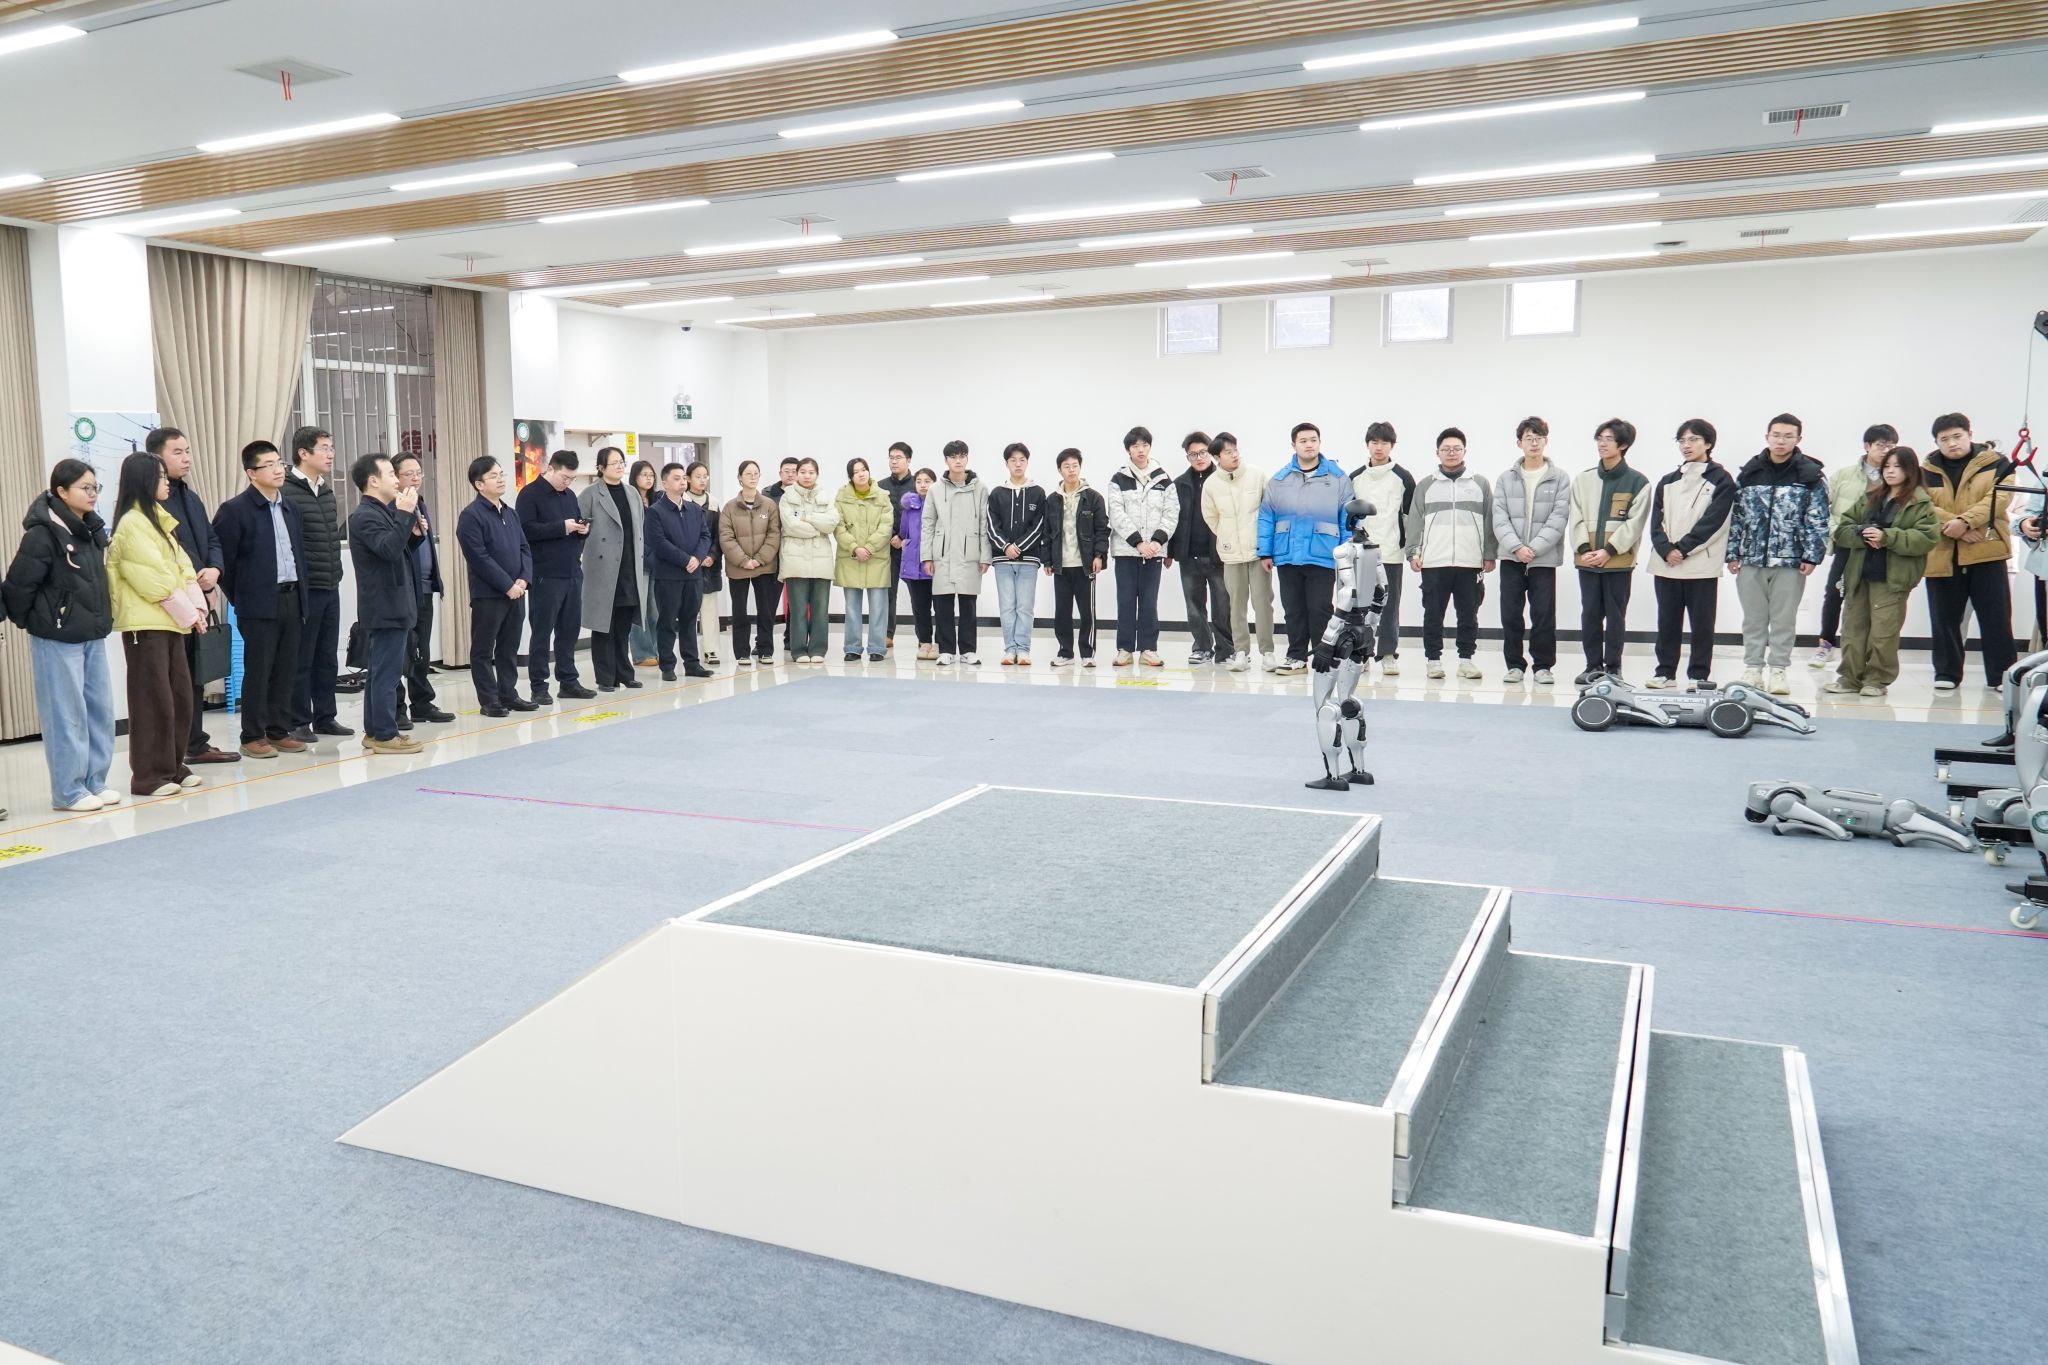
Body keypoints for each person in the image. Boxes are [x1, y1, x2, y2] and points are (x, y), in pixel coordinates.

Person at [3, 459, 117, 811]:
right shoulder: (44, 533)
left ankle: (95, 781)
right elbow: (19, 585)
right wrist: (39, 621)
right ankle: (69, 791)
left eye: (95, 487)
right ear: (62, 492)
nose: (92, 494)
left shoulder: (91, 529)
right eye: (85, 487)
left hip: (92, 632)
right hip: (57, 637)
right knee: (66, 715)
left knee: (99, 710)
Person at [105, 453, 206, 798]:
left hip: (171, 623)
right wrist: (190, 614)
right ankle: (148, 776)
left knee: (179, 697)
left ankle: (173, 766)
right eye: (161, 476)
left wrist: (197, 607)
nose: (167, 482)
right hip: (145, 626)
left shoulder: (159, 520)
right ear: (144, 480)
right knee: (152, 701)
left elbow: (183, 568)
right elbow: (154, 581)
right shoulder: (132, 523)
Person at [213, 440, 309, 759]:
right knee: (259, 669)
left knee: (286, 668)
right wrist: (243, 598)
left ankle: (278, 730)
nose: (278, 469)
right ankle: (252, 735)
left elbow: (298, 555)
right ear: (251, 473)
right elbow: (223, 564)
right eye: (269, 465)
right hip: (258, 604)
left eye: (279, 463)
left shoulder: (290, 507)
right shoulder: (235, 510)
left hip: (292, 597)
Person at [1725, 413, 1830, 695]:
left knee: (1784, 619)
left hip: (1790, 560)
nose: (1781, 441)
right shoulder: (1749, 473)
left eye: (1788, 436)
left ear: (1798, 439)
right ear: (1767, 437)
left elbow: (1818, 519)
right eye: (1776, 435)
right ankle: (1753, 668)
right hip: (1751, 558)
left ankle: (1779, 670)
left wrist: (1812, 555)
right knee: (1753, 618)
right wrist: (1732, 552)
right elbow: (1737, 517)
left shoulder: (1810, 476)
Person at [148, 427, 235, 766]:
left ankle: (195, 742)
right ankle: (180, 746)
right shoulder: (152, 505)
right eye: (177, 452)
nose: (186, 458)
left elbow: (211, 538)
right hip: (176, 602)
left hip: (200, 594)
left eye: (187, 451)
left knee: (195, 674)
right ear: (156, 458)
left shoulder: (191, 497)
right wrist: (201, 579)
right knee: (177, 679)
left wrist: (215, 570)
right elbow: (176, 550)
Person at [1825, 448, 1940, 698]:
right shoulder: (1870, 497)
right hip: (1859, 573)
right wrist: (1862, 533)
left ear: (1910, 470)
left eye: (1897, 466)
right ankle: (1849, 678)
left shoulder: (1920, 502)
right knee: (1852, 629)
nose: (1890, 471)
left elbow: (1927, 538)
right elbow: (1843, 529)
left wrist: (1887, 537)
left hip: (1892, 578)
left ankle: (1876, 680)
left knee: (1883, 632)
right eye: (1886, 466)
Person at [1923, 412, 2016, 690]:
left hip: (1986, 549)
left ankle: (2001, 675)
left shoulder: (1997, 463)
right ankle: (1946, 673)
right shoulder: (1925, 470)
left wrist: (1965, 522)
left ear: (1970, 435)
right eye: (1944, 439)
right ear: (1936, 442)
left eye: (1957, 436)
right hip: (1942, 553)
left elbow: (1999, 497)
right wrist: (1956, 526)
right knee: (1944, 618)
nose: (1952, 443)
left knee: (1996, 617)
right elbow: (1920, 505)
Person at [1646, 419, 1737, 689]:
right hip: (1666, 564)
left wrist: (1682, 549)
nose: (1687, 445)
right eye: (1682, 440)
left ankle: (1699, 675)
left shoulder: (1721, 480)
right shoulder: (1668, 480)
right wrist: (1666, 550)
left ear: (1708, 443)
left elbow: (1714, 521)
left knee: (1702, 625)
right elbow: (1656, 521)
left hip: (1700, 565)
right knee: (1667, 622)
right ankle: (1665, 672)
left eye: (1694, 439)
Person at [345, 454, 423, 755]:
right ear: (373, 481)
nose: (396, 479)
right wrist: (404, 514)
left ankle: (376, 731)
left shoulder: (382, 512)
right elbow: (388, 550)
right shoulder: (365, 516)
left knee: (382, 672)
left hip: (393, 603)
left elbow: (397, 551)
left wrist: (412, 531)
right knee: (386, 674)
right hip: (385, 605)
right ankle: (385, 734)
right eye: (391, 473)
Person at [1405, 426, 1496, 681]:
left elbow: (1489, 521)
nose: (1452, 453)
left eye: (1457, 448)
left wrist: (1489, 554)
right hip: (1434, 562)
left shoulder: (1479, 483)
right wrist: (1413, 552)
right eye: (1446, 449)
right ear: (1437, 452)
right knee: (1433, 614)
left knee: (1469, 614)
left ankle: (1466, 660)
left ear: (1465, 451)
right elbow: (1415, 521)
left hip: (1470, 562)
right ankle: (1433, 660)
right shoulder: (1426, 485)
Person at [1260, 421, 1350, 675]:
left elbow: (1348, 518)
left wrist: (1345, 552)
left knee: (1320, 608)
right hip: (1287, 555)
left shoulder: (1338, 479)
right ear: (1294, 445)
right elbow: (1266, 517)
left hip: (1323, 554)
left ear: (1319, 443)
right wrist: (1265, 551)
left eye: (1313, 440)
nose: (1309, 445)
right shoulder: (1279, 480)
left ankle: (1324, 657)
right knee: (1293, 609)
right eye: (1303, 441)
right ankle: (1296, 657)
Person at [1567, 419, 1651, 684]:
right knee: (1590, 613)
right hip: (1587, 560)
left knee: (1616, 616)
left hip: (1618, 562)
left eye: (1609, 439)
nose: (1602, 444)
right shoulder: (1583, 480)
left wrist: (1608, 551)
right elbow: (1575, 517)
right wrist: (1584, 549)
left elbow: (1635, 524)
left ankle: (1614, 668)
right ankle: (1592, 665)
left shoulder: (1638, 482)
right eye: (1599, 438)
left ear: (1623, 445)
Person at [281, 425, 350, 741]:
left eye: (331, 447)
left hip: (330, 584)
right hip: (304, 590)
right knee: (302, 657)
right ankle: (298, 720)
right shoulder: (287, 492)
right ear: (303, 453)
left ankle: (326, 716)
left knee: (327, 656)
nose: (330, 454)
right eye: (324, 448)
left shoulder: (327, 491)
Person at [1490, 417, 1569, 684]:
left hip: (1543, 558)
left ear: (1546, 441)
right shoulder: (1505, 478)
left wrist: (1533, 548)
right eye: (1528, 438)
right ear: (1519, 443)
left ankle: (1543, 666)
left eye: (1538, 438)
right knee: (1511, 614)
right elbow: (1499, 517)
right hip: (1512, 557)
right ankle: (1514, 665)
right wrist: (1517, 547)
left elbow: (1559, 517)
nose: (1534, 443)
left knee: (1543, 614)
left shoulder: (1560, 478)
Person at [1811, 424, 1897, 670]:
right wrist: (1836, 532)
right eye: (1880, 445)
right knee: (1835, 592)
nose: (1886, 450)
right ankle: (1826, 644)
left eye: (1891, 446)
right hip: (1848, 544)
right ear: (1867, 446)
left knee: (1874, 598)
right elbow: (1824, 509)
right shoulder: (1844, 475)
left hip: (1881, 547)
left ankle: (1869, 651)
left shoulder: (1897, 477)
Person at [457, 456, 536, 717]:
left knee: (509, 647)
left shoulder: (510, 513)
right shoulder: (471, 516)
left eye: (501, 474)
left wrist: (523, 579)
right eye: (494, 476)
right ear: (479, 484)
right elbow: (479, 557)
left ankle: (508, 694)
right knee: (483, 650)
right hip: (489, 595)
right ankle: (489, 700)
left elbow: (524, 548)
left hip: (517, 592)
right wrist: (506, 585)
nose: (501, 479)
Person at [516, 449, 594, 704]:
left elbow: (573, 528)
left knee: (569, 630)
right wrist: (562, 527)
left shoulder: (569, 495)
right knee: (542, 632)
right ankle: (539, 686)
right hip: (545, 574)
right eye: (564, 477)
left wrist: (582, 530)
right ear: (550, 468)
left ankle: (568, 681)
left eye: (572, 478)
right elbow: (525, 531)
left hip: (572, 571)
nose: (568, 482)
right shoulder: (529, 494)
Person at [390, 453, 456, 725]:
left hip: (425, 589)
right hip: (404, 590)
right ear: (394, 478)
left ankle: (422, 703)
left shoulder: (420, 503)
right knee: (401, 651)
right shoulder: (394, 507)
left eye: (419, 473)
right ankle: (396, 708)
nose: (416, 478)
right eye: (409, 474)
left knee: (422, 650)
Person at [577, 446, 647, 692]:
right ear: (601, 467)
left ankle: (625, 673)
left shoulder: (632, 493)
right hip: (603, 568)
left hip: (628, 566)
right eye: (614, 462)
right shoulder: (590, 494)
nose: (619, 466)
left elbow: (640, 528)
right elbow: (580, 530)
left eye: (622, 462)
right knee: (603, 625)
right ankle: (606, 677)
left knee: (623, 625)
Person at [1109, 425, 1178, 668]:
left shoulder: (1163, 479)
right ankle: (1125, 649)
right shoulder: (1118, 479)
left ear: (1150, 447)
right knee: (1126, 601)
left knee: (1149, 602)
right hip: (1126, 551)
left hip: (1154, 552)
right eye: (1135, 446)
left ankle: (1149, 649)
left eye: (1144, 445)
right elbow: (1116, 514)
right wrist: (1138, 542)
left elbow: (1171, 513)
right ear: (1128, 450)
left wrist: (1157, 541)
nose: (1140, 449)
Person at [1350, 422, 1414, 677]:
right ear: (1367, 445)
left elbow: (1409, 517)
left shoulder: (1403, 477)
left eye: (1384, 443)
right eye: (1374, 442)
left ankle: (1388, 654)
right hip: (1361, 552)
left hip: (1391, 552)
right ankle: (1361, 653)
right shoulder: (1355, 478)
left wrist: (1410, 549)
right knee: (1361, 607)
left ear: (1392, 445)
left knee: (1389, 606)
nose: (1379, 447)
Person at [1202, 432, 1269, 673]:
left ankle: (1268, 652)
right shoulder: (1211, 484)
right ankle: (1241, 652)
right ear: (1217, 457)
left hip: (1258, 552)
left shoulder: (1257, 475)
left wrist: (1266, 546)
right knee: (1236, 605)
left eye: (1235, 450)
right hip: (1230, 553)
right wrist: (1227, 535)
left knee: (1263, 603)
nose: (1234, 455)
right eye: (1228, 452)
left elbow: (1269, 510)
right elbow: (1211, 517)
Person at [645, 462, 715, 681]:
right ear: (664, 483)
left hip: (693, 575)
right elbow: (658, 543)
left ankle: (692, 663)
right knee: (667, 621)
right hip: (668, 576)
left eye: (684, 478)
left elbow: (705, 536)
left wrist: (697, 558)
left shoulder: (694, 509)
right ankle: (667, 665)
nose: (682, 482)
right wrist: (686, 560)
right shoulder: (655, 511)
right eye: (676, 478)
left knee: (690, 620)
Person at [922, 439, 990, 666]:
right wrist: (927, 556)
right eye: (953, 457)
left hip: (970, 552)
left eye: (962, 456)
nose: (958, 461)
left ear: (967, 458)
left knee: (968, 603)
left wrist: (985, 555)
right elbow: (928, 523)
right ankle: (946, 650)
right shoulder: (935, 489)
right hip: (943, 553)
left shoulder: (980, 488)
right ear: (946, 461)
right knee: (943, 603)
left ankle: (968, 650)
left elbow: (984, 524)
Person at [1170, 432, 1231, 667]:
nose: (1199, 458)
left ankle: (1226, 650)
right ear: (1187, 457)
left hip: (1219, 555)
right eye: (1193, 454)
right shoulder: (1179, 484)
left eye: (1203, 452)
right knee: (1194, 607)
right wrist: (1170, 552)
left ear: (1212, 453)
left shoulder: (1224, 480)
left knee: (1222, 607)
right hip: (1188, 555)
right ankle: (1202, 647)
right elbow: (1172, 520)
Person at [1045, 448, 1108, 668]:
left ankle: (1087, 653)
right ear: (1059, 470)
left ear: (1080, 467)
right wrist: (1047, 561)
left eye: (1075, 466)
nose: (1071, 470)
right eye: (1066, 466)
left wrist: (1099, 555)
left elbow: (1102, 530)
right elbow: (1047, 532)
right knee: (1062, 612)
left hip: (1085, 565)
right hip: (1061, 565)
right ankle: (1065, 652)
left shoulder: (1093, 498)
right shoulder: (1052, 500)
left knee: (1086, 612)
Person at [988, 441, 1048, 665]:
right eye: (1013, 460)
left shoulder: (1037, 492)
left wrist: (1019, 547)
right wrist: (1006, 547)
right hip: (1002, 560)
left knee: (1024, 607)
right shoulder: (997, 493)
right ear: (1007, 464)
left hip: (1029, 560)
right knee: (1007, 607)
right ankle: (1009, 649)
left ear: (1027, 462)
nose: (1018, 464)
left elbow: (1039, 525)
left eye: (1022, 460)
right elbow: (991, 525)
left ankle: (1023, 650)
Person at [779, 457, 841, 665]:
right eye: (803, 472)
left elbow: (831, 523)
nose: (807, 476)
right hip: (795, 559)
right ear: (797, 474)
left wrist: (809, 518)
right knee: (797, 609)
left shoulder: (824, 495)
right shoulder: (787, 497)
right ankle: (798, 650)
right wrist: (817, 528)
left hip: (821, 560)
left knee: (820, 609)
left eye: (811, 472)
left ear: (817, 474)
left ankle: (818, 649)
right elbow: (790, 525)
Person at [720, 460, 783, 667]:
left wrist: (759, 559)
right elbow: (726, 537)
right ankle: (742, 653)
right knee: (739, 611)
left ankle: (765, 650)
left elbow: (774, 535)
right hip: (738, 568)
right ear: (739, 477)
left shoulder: (769, 505)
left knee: (766, 611)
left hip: (764, 567)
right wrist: (744, 560)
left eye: (756, 473)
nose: (753, 477)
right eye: (748, 473)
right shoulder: (729, 507)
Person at [836, 457, 895, 661]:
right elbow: (838, 526)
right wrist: (854, 547)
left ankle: (877, 648)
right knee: (852, 607)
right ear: (850, 476)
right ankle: (852, 648)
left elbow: (886, 526)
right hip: (850, 558)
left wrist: (868, 548)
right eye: (856, 471)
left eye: (864, 469)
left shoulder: (882, 496)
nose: (861, 474)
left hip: (876, 557)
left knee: (879, 607)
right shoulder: (841, 496)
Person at [877, 441, 915, 653]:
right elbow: (878, 516)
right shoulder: (880, 486)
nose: (894, 461)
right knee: (888, 592)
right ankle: (887, 634)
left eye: (898, 457)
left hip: (913, 548)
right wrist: (893, 536)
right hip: (888, 547)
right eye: (891, 457)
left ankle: (923, 637)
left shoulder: (918, 484)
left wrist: (904, 538)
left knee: (918, 594)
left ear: (908, 460)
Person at [685, 462, 722, 666]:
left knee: (709, 608)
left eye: (705, 476)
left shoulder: (714, 503)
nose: (702, 480)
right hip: (687, 564)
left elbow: (718, 534)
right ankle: (689, 652)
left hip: (709, 565)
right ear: (688, 478)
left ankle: (711, 650)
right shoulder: (681, 500)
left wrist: (712, 556)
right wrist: (694, 557)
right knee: (688, 610)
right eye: (697, 476)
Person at [900, 468, 937, 660]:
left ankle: (940, 643)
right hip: (914, 565)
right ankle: (924, 642)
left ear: (935, 483)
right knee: (920, 608)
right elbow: (904, 532)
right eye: (919, 481)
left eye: (927, 481)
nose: (923, 485)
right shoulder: (909, 507)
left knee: (941, 608)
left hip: (936, 565)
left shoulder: (940, 504)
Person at [627, 459, 660, 665]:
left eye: (651, 475)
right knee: (640, 610)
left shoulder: (657, 499)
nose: (649, 478)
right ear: (635, 477)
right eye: (644, 475)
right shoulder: (630, 499)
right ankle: (641, 653)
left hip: (658, 560)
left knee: (655, 610)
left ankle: (655, 650)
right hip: (638, 561)